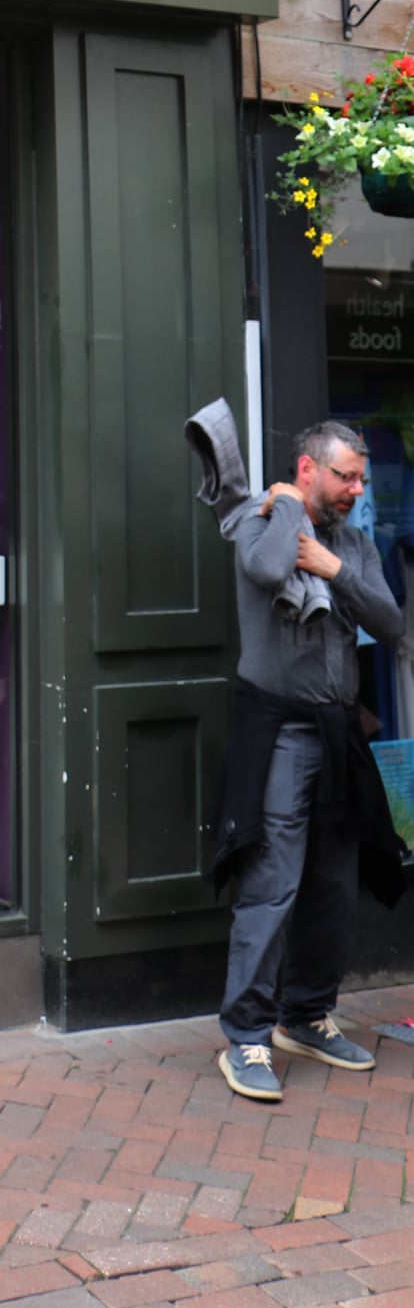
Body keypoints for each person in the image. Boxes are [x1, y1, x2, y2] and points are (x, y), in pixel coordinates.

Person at [213, 421, 405, 1103]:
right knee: (275, 883)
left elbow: (390, 623)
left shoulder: (352, 544)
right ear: (308, 468)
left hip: (339, 731)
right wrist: (290, 504)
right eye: (345, 476)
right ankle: (247, 1038)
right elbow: (268, 570)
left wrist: (334, 571)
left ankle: (307, 1015)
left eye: (361, 477)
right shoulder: (260, 524)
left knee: (331, 882)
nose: (357, 488)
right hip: (280, 730)